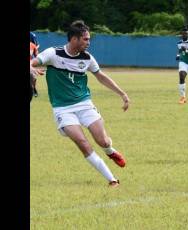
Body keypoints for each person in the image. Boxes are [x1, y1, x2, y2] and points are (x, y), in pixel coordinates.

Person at [30, 20, 130, 187]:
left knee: (103, 141)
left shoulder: (87, 58)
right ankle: (112, 180)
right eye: (85, 39)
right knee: (83, 143)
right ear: (74, 39)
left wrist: (123, 94)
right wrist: (31, 68)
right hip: (63, 109)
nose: (88, 42)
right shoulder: (53, 53)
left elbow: (101, 77)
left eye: (89, 39)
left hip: (84, 104)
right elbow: (33, 62)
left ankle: (110, 151)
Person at [30, 31, 40, 97]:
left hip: (30, 64)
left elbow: (36, 55)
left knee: (33, 78)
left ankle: (34, 89)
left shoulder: (32, 45)